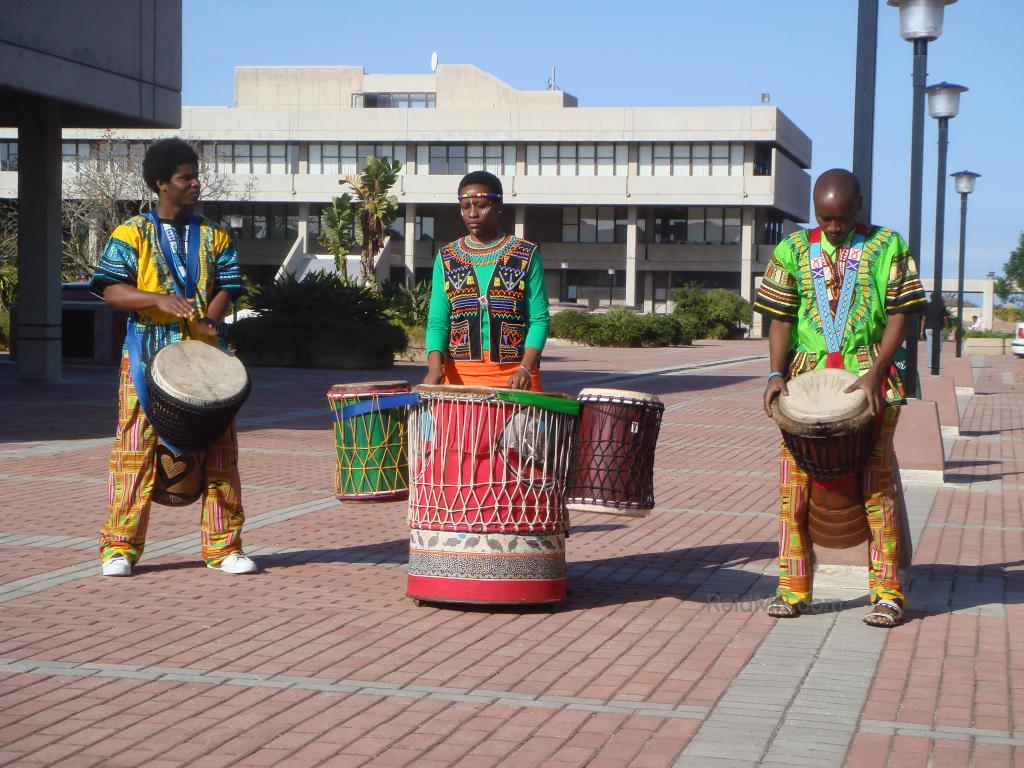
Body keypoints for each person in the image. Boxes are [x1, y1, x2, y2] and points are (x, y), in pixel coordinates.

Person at [754, 168, 926, 628]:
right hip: (805, 383)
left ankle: (887, 593)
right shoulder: (792, 249)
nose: (832, 227)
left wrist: (875, 373)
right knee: (794, 493)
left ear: (859, 205)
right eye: (824, 218)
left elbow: (902, 316)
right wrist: (775, 373)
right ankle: (792, 589)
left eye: (841, 218)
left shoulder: (888, 244)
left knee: (877, 487)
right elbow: (780, 316)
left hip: (872, 382)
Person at [91, 138, 255, 577]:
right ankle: (119, 548)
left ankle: (224, 547)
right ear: (161, 183)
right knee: (134, 448)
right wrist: (156, 299)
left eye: (195, 175)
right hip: (146, 354)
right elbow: (109, 288)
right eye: (186, 177)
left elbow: (227, 285)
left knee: (221, 449)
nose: (196, 183)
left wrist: (209, 321)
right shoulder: (131, 233)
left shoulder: (216, 235)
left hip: (204, 356)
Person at [423, 171, 549, 390]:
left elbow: (539, 319)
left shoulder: (526, 254)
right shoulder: (446, 257)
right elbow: (437, 321)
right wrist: (435, 368)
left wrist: (526, 368)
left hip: (516, 376)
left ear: (498, 205)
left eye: (481, 205)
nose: (472, 213)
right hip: (459, 378)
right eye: (465, 206)